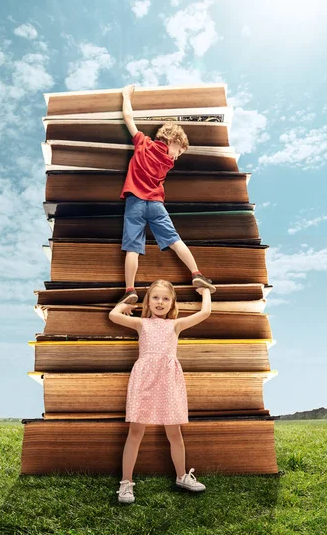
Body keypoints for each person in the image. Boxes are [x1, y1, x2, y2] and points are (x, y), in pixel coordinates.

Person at [109, 279, 212, 504]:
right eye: (155, 297)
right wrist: (125, 305)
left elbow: (205, 313)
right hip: (144, 380)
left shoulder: (176, 325)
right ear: (148, 301)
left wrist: (205, 292)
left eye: (166, 298)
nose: (160, 302)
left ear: (172, 303)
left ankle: (182, 476)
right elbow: (113, 316)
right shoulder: (141, 323)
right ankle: (126, 483)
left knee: (174, 433)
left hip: (168, 381)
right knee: (136, 432)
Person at [118, 84, 216, 305]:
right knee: (174, 240)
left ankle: (130, 289)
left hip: (134, 203)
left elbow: (128, 117)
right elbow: (167, 158)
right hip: (155, 204)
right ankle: (196, 274)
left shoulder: (142, 143)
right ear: (173, 141)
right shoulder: (167, 164)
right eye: (179, 151)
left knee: (132, 247)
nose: (176, 158)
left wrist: (126, 95)